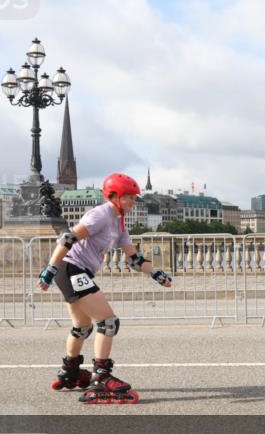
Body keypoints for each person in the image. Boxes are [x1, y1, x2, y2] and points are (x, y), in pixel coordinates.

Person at [37, 172, 172, 403]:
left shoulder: (119, 223)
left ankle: (70, 371)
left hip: (76, 271)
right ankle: (101, 377)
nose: (133, 201)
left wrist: (155, 272)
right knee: (108, 321)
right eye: (129, 197)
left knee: (82, 326)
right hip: (70, 268)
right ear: (114, 196)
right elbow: (68, 238)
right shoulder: (101, 214)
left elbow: (134, 260)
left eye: (135, 197)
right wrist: (51, 268)